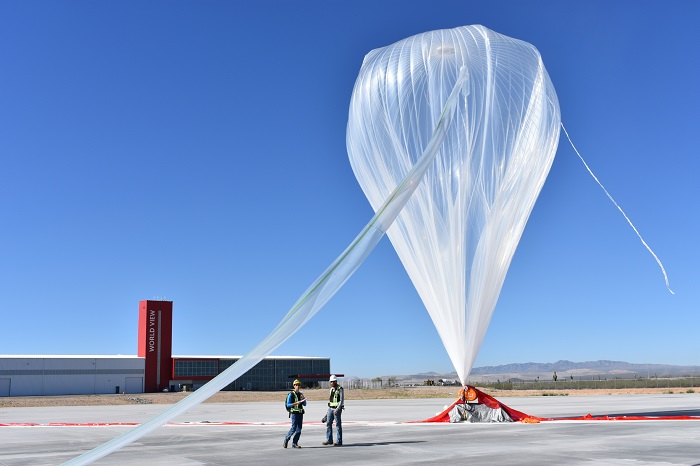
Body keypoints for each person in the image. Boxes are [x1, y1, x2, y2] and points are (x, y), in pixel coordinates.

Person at [284, 379, 306, 449]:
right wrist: (296, 403)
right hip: (294, 414)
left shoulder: (301, 394)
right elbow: (288, 405)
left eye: (299, 385)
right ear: (294, 386)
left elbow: (305, 404)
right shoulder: (291, 394)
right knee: (293, 428)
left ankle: (295, 443)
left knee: (299, 429)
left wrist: (303, 399)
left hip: (300, 413)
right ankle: (286, 439)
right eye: (296, 385)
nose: (298, 386)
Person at [322, 374, 344, 446]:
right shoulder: (331, 390)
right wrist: (328, 410)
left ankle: (339, 441)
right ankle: (329, 440)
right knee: (328, 424)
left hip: (337, 409)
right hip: (331, 408)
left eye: (332, 382)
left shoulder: (340, 389)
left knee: (338, 425)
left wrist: (337, 409)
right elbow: (331, 401)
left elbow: (341, 400)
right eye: (330, 382)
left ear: (335, 381)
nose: (331, 383)